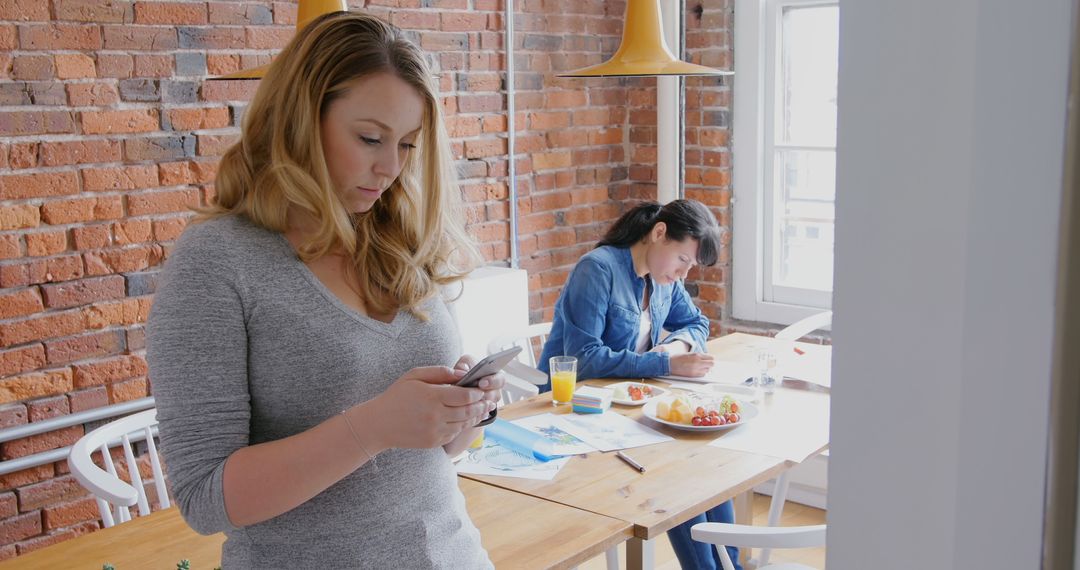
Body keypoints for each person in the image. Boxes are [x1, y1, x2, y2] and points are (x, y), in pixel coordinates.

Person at [146, 11, 503, 568]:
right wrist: (374, 426)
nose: (389, 167)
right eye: (369, 138)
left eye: (408, 145)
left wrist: (460, 412)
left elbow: (434, 456)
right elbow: (205, 498)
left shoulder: (394, 239)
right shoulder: (217, 261)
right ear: (299, 121)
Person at [537, 199, 741, 570]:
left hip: (625, 408)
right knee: (678, 470)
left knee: (703, 453)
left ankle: (731, 566)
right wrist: (663, 360)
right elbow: (583, 359)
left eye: (690, 266)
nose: (683, 274)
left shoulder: (664, 282)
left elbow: (697, 324)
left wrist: (675, 345)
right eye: (682, 260)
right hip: (572, 410)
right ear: (659, 233)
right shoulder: (598, 270)